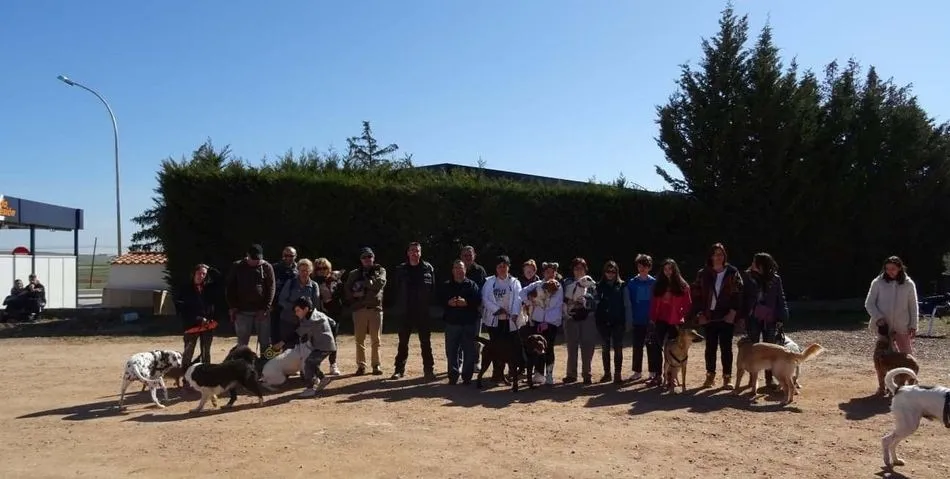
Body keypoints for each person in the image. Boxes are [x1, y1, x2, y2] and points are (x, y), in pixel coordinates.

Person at [691, 243, 744, 389]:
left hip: (726, 315)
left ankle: (727, 377)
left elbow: (738, 293)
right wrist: (700, 314)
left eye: (721, 254)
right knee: (710, 347)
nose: (718, 257)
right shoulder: (703, 273)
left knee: (726, 347)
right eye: (715, 254)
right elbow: (696, 295)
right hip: (709, 315)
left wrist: (733, 312)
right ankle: (710, 375)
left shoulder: (732, 272)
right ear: (711, 256)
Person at [742, 252, 789, 391]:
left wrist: (782, 316)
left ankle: (769, 379)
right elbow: (743, 296)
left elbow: (780, 297)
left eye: (754, 262)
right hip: (753, 317)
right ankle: (752, 379)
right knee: (753, 348)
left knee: (770, 348)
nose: (752, 264)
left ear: (761, 265)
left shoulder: (775, 279)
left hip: (770, 317)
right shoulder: (748, 277)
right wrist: (743, 315)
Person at [391, 242, 437, 380]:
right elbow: (395, 289)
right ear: (408, 253)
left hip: (423, 312)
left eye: (417, 251)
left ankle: (429, 370)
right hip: (405, 312)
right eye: (412, 250)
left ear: (420, 253)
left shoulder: (428, 268)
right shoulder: (401, 269)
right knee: (403, 343)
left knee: (426, 343)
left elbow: (433, 289)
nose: (414, 253)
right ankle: (399, 370)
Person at [275, 296, 336, 398]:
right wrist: (332, 337)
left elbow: (297, 334)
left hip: (323, 347)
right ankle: (323, 379)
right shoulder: (319, 314)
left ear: (306, 309)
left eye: (298, 310)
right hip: (323, 345)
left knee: (308, 363)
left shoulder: (312, 320)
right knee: (313, 362)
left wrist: (282, 343)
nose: (296, 313)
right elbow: (333, 323)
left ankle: (310, 388)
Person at [647, 258, 692, 387]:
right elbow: (653, 303)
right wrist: (652, 319)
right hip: (660, 319)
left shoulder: (683, 285)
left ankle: (672, 376)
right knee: (656, 346)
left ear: (675, 270)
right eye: (665, 269)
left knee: (675, 349)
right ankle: (657, 375)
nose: (668, 271)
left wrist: (680, 313)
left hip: (675, 320)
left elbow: (688, 304)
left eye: (670, 269)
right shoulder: (658, 285)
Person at [519, 262, 564, 386]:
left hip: (551, 323)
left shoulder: (558, 286)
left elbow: (553, 305)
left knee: (548, 348)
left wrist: (546, 321)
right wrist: (530, 301)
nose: (550, 274)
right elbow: (522, 293)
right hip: (536, 321)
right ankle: (538, 374)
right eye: (547, 272)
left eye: (553, 272)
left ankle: (549, 375)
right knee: (536, 348)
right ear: (543, 273)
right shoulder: (537, 284)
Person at [344, 247, 387, 376]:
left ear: (373, 258)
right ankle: (361, 366)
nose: (367, 259)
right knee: (359, 340)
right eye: (364, 257)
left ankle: (376, 365)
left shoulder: (380, 270)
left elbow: (379, 284)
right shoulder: (354, 274)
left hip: (375, 309)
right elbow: (347, 290)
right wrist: (355, 294)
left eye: (369, 256)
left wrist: (366, 281)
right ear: (361, 259)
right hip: (359, 309)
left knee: (376, 340)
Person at [226, 244, 276, 353]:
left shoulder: (266, 267)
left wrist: (265, 308)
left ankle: (267, 362)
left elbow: (271, 288)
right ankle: (241, 362)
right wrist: (233, 306)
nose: (255, 261)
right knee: (242, 343)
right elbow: (230, 288)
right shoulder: (237, 266)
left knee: (266, 342)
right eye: (253, 259)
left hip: (262, 311)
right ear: (247, 255)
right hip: (242, 311)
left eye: (258, 259)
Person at [480, 255, 523, 383]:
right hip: (495, 320)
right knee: (495, 347)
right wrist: (497, 309)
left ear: (508, 267)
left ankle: (510, 373)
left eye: (504, 266)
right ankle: (497, 373)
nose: (502, 269)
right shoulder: (489, 282)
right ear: (496, 268)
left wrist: (514, 313)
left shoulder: (514, 282)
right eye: (499, 266)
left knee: (510, 348)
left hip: (510, 320)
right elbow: (485, 299)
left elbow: (518, 298)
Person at [865, 256, 919, 354]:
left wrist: (913, 325)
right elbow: (869, 303)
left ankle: (905, 365)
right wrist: (879, 318)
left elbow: (913, 306)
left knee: (906, 354)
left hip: (902, 325)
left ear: (900, 268)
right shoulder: (878, 283)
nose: (890, 271)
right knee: (884, 354)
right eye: (887, 269)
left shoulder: (909, 284)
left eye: (893, 269)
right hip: (883, 325)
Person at [441, 259, 481, 385]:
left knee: (469, 351)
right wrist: (448, 302)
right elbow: (439, 300)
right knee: (451, 351)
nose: (459, 270)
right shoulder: (446, 285)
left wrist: (467, 303)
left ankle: (467, 377)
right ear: (453, 270)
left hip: (468, 324)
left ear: (465, 270)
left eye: (461, 268)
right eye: (456, 268)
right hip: (452, 324)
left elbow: (478, 301)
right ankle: (453, 376)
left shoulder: (472, 285)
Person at [561, 257, 599, 384]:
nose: (579, 271)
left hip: (588, 317)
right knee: (571, 347)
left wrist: (586, 302)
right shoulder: (566, 283)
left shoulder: (590, 282)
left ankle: (587, 374)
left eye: (581, 268)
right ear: (573, 270)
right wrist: (571, 303)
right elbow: (562, 299)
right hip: (571, 317)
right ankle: (571, 374)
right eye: (576, 268)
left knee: (588, 346)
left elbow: (596, 300)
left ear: (585, 270)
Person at [177, 264, 219, 373]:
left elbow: (221, 279)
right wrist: (199, 319)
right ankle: (185, 376)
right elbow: (182, 309)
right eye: (199, 273)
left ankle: (206, 375)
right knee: (188, 353)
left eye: (204, 274)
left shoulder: (209, 288)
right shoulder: (185, 288)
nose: (201, 276)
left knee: (206, 352)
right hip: (191, 325)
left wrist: (210, 269)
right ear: (194, 274)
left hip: (208, 325)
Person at [624, 254, 656, 382]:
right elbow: (628, 302)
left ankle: (652, 372)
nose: (642, 268)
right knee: (637, 347)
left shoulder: (654, 282)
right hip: (637, 319)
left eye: (645, 266)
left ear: (649, 267)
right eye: (640, 266)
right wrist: (630, 319)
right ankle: (637, 371)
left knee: (651, 346)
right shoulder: (632, 283)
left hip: (651, 320)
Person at [595, 260, 627, 384]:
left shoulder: (622, 285)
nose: (610, 274)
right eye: (608, 271)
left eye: (613, 271)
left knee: (618, 348)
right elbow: (595, 303)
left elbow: (626, 304)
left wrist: (627, 322)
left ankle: (617, 374)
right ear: (604, 272)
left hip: (618, 321)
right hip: (603, 321)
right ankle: (607, 373)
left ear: (616, 272)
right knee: (605, 348)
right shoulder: (599, 286)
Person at [278, 258, 320, 351]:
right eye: (302, 270)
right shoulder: (290, 283)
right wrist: (295, 308)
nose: (304, 273)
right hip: (288, 320)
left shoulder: (314, 285)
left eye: (307, 270)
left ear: (311, 271)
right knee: (288, 347)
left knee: (305, 348)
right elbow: (281, 300)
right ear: (298, 271)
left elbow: (316, 305)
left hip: (305, 322)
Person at [313, 257, 344, 375]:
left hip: (334, 314)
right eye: (319, 268)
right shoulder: (313, 282)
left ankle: (333, 364)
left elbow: (341, 295)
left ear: (329, 268)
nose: (322, 270)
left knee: (332, 340)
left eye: (325, 268)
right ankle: (315, 366)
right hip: (318, 315)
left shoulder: (335, 280)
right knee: (317, 340)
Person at [270, 246, 298, 346]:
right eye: (286, 255)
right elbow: (268, 286)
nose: (288, 258)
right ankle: (274, 354)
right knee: (275, 333)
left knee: (290, 333)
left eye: (291, 256)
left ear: (295, 256)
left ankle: (290, 353)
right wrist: (269, 303)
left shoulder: (299, 269)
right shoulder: (274, 268)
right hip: (276, 305)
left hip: (292, 306)